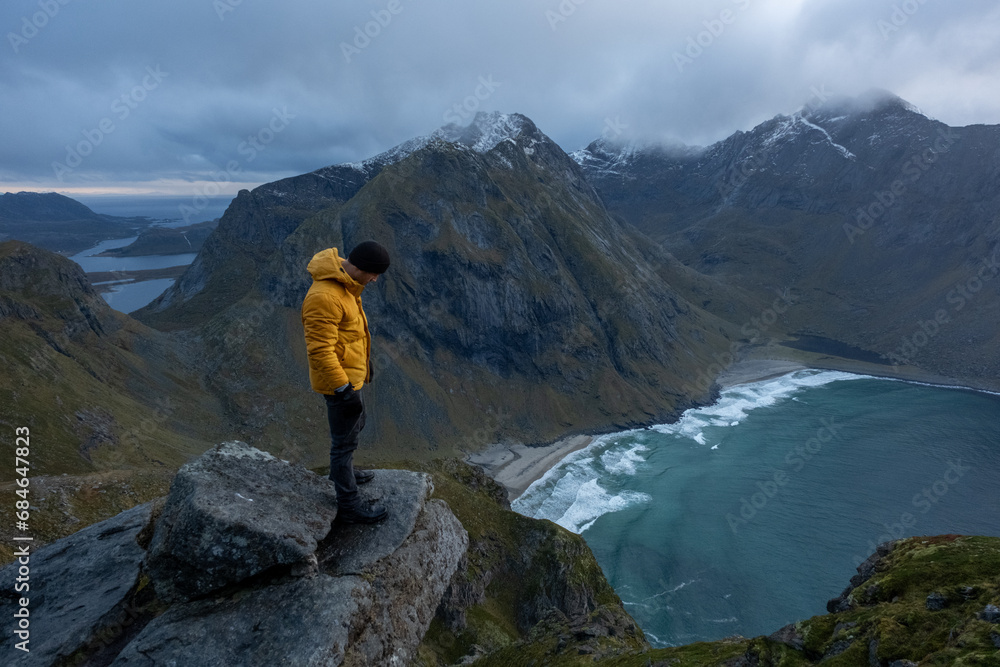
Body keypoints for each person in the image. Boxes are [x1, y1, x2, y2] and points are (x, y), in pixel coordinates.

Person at [301, 241, 391, 524]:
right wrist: (342, 389)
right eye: (374, 274)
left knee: (357, 424)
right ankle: (349, 505)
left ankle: (345, 472)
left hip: (352, 377)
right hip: (339, 385)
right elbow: (320, 350)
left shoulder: (347, 284)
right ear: (361, 268)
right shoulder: (325, 296)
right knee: (343, 444)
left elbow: (351, 335)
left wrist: (365, 364)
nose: (375, 280)